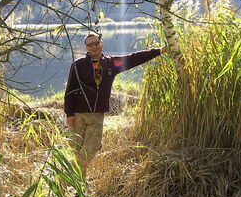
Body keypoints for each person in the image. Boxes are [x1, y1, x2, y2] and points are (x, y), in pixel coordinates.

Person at [64, 32, 167, 180]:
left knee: (91, 148)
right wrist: (69, 114)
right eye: (90, 44)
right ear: (85, 47)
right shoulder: (78, 65)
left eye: (96, 43)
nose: (94, 46)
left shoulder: (111, 63)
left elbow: (133, 58)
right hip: (78, 114)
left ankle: (64, 178)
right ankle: (79, 186)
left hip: (97, 116)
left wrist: (159, 51)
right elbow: (70, 90)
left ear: (101, 43)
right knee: (76, 150)